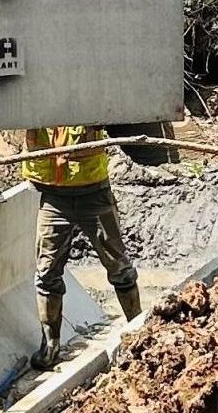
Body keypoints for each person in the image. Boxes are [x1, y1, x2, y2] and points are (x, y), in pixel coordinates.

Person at [21, 124, 142, 368]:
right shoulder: (34, 95)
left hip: (93, 191)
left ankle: (140, 335)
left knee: (119, 268)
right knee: (46, 272)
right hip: (53, 197)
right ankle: (50, 346)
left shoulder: (83, 91)